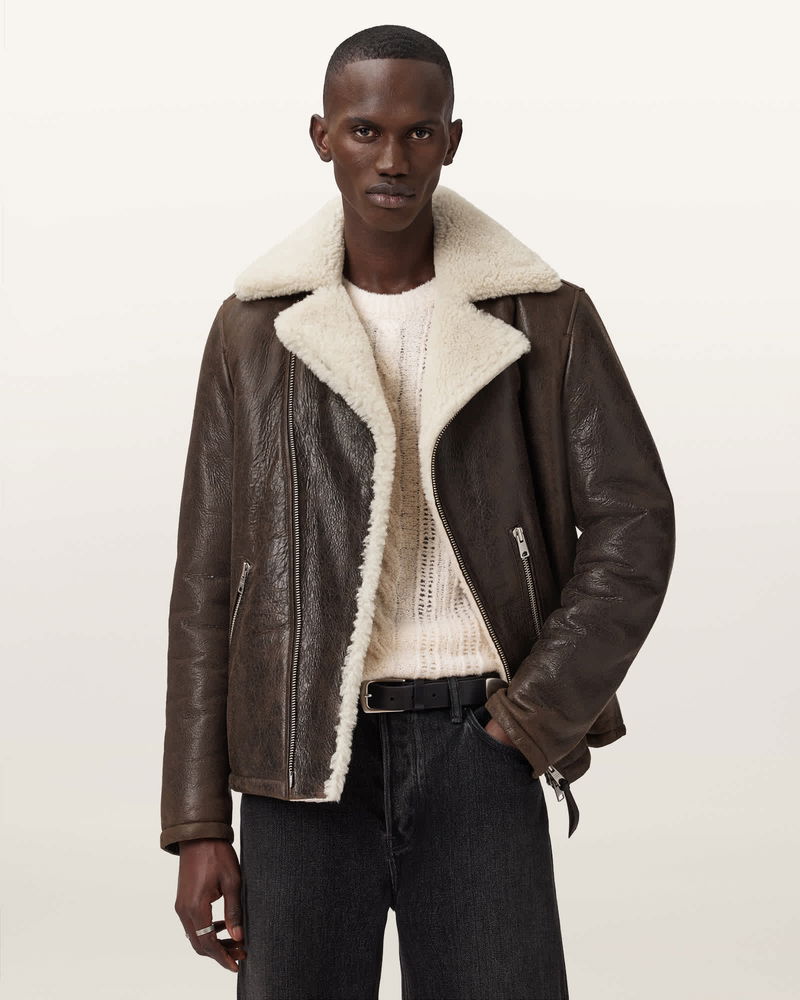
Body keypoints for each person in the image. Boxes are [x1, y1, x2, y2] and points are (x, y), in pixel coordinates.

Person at [159, 23, 676, 1000]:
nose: (391, 159)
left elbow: (635, 525)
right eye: (365, 130)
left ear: (451, 139)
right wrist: (196, 823)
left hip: (478, 744)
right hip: (299, 762)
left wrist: (528, 720)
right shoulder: (254, 332)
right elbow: (205, 582)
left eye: (418, 132)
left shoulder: (544, 315)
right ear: (322, 136)